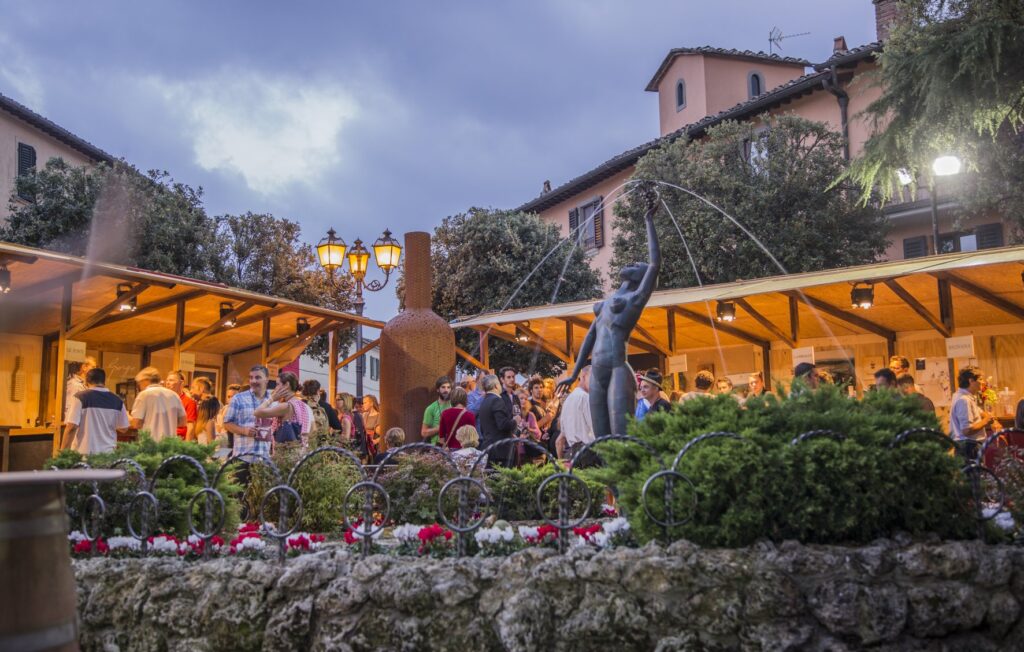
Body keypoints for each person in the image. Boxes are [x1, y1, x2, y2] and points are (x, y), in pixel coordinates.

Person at [557, 195, 660, 438]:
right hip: (598, 371)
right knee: (601, 435)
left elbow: (655, 264)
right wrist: (574, 372)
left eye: (636, 265)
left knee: (620, 435)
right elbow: (591, 335)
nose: (631, 263)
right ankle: (604, 476)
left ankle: (625, 474)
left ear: (640, 277)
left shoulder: (633, 300)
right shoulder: (606, 303)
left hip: (617, 369)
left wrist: (648, 221)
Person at [62, 367, 129, 454]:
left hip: (84, 455)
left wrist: (62, 453)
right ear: (104, 382)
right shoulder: (117, 401)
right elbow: (124, 428)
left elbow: (72, 427)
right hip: (108, 454)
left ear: (86, 381)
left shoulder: (80, 398)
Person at [222, 365, 274, 458]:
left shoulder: (272, 401)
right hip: (242, 457)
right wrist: (244, 430)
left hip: (264, 458)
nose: (253, 381)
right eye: (251, 378)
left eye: (258, 377)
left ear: (266, 380)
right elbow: (227, 423)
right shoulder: (238, 398)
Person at [950, 367, 999, 455]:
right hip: (969, 447)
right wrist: (987, 420)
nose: (983, 382)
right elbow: (967, 430)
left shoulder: (964, 396)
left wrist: (989, 417)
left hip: (969, 446)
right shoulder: (964, 400)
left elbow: (979, 412)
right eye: (980, 379)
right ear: (971, 381)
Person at [130, 367, 186, 441]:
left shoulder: (144, 395)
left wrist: (128, 417)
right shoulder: (174, 395)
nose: (139, 386)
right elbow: (183, 422)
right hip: (171, 444)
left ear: (145, 381)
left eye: (139, 383)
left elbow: (136, 424)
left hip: (151, 444)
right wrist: (167, 422)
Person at [476, 373, 520, 467]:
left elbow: (487, 427)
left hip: (489, 447)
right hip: (500, 451)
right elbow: (502, 424)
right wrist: (515, 421)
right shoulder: (496, 400)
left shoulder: (485, 401)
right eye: (499, 384)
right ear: (496, 386)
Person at [254, 372, 310, 444]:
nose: (275, 388)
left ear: (287, 385)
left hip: (284, 451)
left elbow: (257, 412)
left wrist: (271, 399)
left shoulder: (285, 406)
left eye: (277, 384)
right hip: (298, 449)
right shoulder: (302, 405)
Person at [559, 365, 594, 462]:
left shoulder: (568, 399)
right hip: (587, 452)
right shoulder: (585, 397)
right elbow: (594, 427)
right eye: (593, 377)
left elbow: (562, 431)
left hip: (571, 453)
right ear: (583, 376)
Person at [165, 370, 197, 441]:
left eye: (171, 380)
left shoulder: (189, 402)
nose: (167, 383)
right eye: (167, 380)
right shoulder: (164, 400)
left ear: (181, 383)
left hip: (179, 440)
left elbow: (190, 427)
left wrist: (186, 447)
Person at [421, 376, 453, 444]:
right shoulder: (431, 408)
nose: (446, 390)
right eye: (443, 387)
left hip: (453, 447)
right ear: (438, 389)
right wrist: (441, 427)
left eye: (448, 387)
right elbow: (424, 432)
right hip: (437, 448)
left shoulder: (454, 405)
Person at [64, 357, 96, 421]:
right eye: (93, 367)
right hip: (75, 426)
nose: (95, 371)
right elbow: (70, 409)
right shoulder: (75, 385)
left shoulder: (84, 385)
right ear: (84, 367)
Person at [217, 384, 243, 449]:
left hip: (234, 443)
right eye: (229, 396)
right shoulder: (224, 409)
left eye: (234, 396)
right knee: (221, 457)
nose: (231, 399)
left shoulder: (241, 411)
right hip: (222, 441)